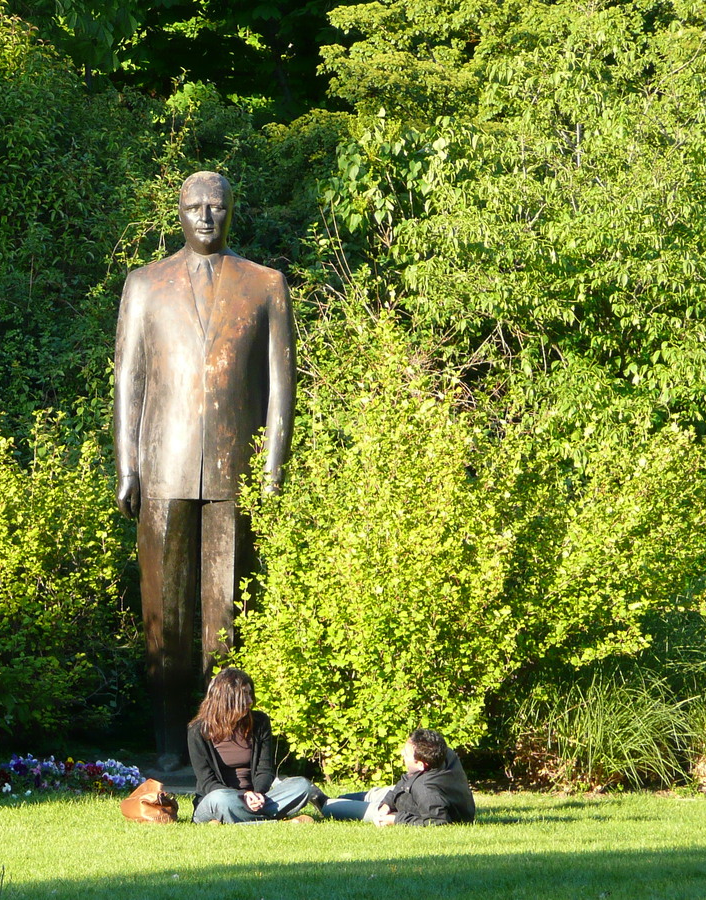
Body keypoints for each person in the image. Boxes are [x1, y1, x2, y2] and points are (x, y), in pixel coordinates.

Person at [114, 171, 296, 768]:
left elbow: (280, 386)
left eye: (215, 207)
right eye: (194, 206)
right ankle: (169, 748)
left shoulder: (265, 285)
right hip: (161, 467)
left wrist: (271, 469)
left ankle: (225, 752)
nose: (205, 217)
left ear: (231, 211)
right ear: (178, 211)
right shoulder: (144, 284)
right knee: (164, 622)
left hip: (234, 473)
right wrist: (127, 465)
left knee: (227, 621)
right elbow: (129, 384)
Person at [187, 668, 317, 824]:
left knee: (301, 786)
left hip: (258, 799)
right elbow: (207, 782)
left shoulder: (260, 722)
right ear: (225, 699)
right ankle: (276, 822)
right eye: (244, 696)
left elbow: (265, 769)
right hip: (221, 799)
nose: (250, 701)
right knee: (220, 799)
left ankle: (235, 819)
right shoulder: (198, 731)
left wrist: (257, 794)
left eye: (250, 694)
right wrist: (243, 796)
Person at [314, 728, 477, 826]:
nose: (401, 754)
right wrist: (387, 802)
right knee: (372, 794)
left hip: (405, 807)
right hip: (403, 795)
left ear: (421, 765)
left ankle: (322, 800)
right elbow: (407, 779)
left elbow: (437, 822)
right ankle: (347, 798)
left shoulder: (427, 792)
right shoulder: (444, 754)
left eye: (406, 754)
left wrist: (395, 818)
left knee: (329, 807)